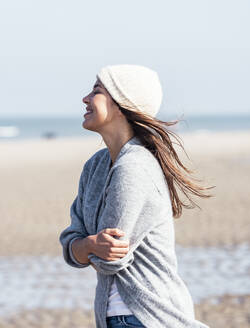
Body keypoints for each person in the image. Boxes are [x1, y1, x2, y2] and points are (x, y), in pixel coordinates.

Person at [59, 64, 214, 328]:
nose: (85, 98)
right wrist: (88, 246)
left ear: (121, 105)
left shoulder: (135, 167)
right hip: (115, 317)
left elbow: (110, 260)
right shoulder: (95, 166)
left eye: (96, 91)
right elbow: (71, 243)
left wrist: (87, 247)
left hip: (148, 317)